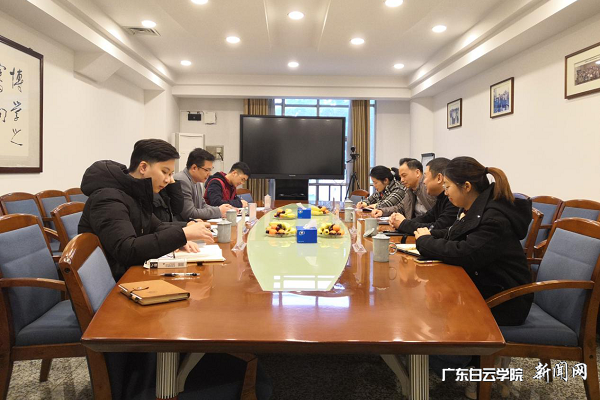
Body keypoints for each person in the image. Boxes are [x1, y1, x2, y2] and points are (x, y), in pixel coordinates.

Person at [415, 157, 532, 399]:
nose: (446, 192)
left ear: (466, 186)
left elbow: (466, 253)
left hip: (504, 300)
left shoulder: (494, 217)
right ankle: (469, 362)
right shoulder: (476, 208)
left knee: (427, 321)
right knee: (425, 307)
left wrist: (425, 242)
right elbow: (453, 236)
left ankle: (474, 365)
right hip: (484, 287)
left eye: (448, 186)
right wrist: (427, 238)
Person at [78, 139, 214, 280]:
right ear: (143, 167)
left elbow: (157, 226)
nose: (168, 180)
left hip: (131, 273)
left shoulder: (135, 192)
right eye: (165, 172)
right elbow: (127, 250)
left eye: (171, 174)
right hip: (115, 282)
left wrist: (184, 231)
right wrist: (183, 235)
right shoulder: (107, 198)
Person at [390, 157, 458, 235]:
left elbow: (438, 227)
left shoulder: (454, 200)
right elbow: (427, 217)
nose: (424, 182)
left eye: (425, 177)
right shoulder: (441, 197)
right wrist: (401, 223)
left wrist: (404, 224)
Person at [174, 148, 234, 220]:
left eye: (210, 170)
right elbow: (190, 213)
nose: (210, 174)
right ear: (194, 168)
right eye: (207, 170)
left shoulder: (196, 182)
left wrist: (222, 209)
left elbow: (203, 205)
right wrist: (218, 211)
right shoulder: (182, 180)